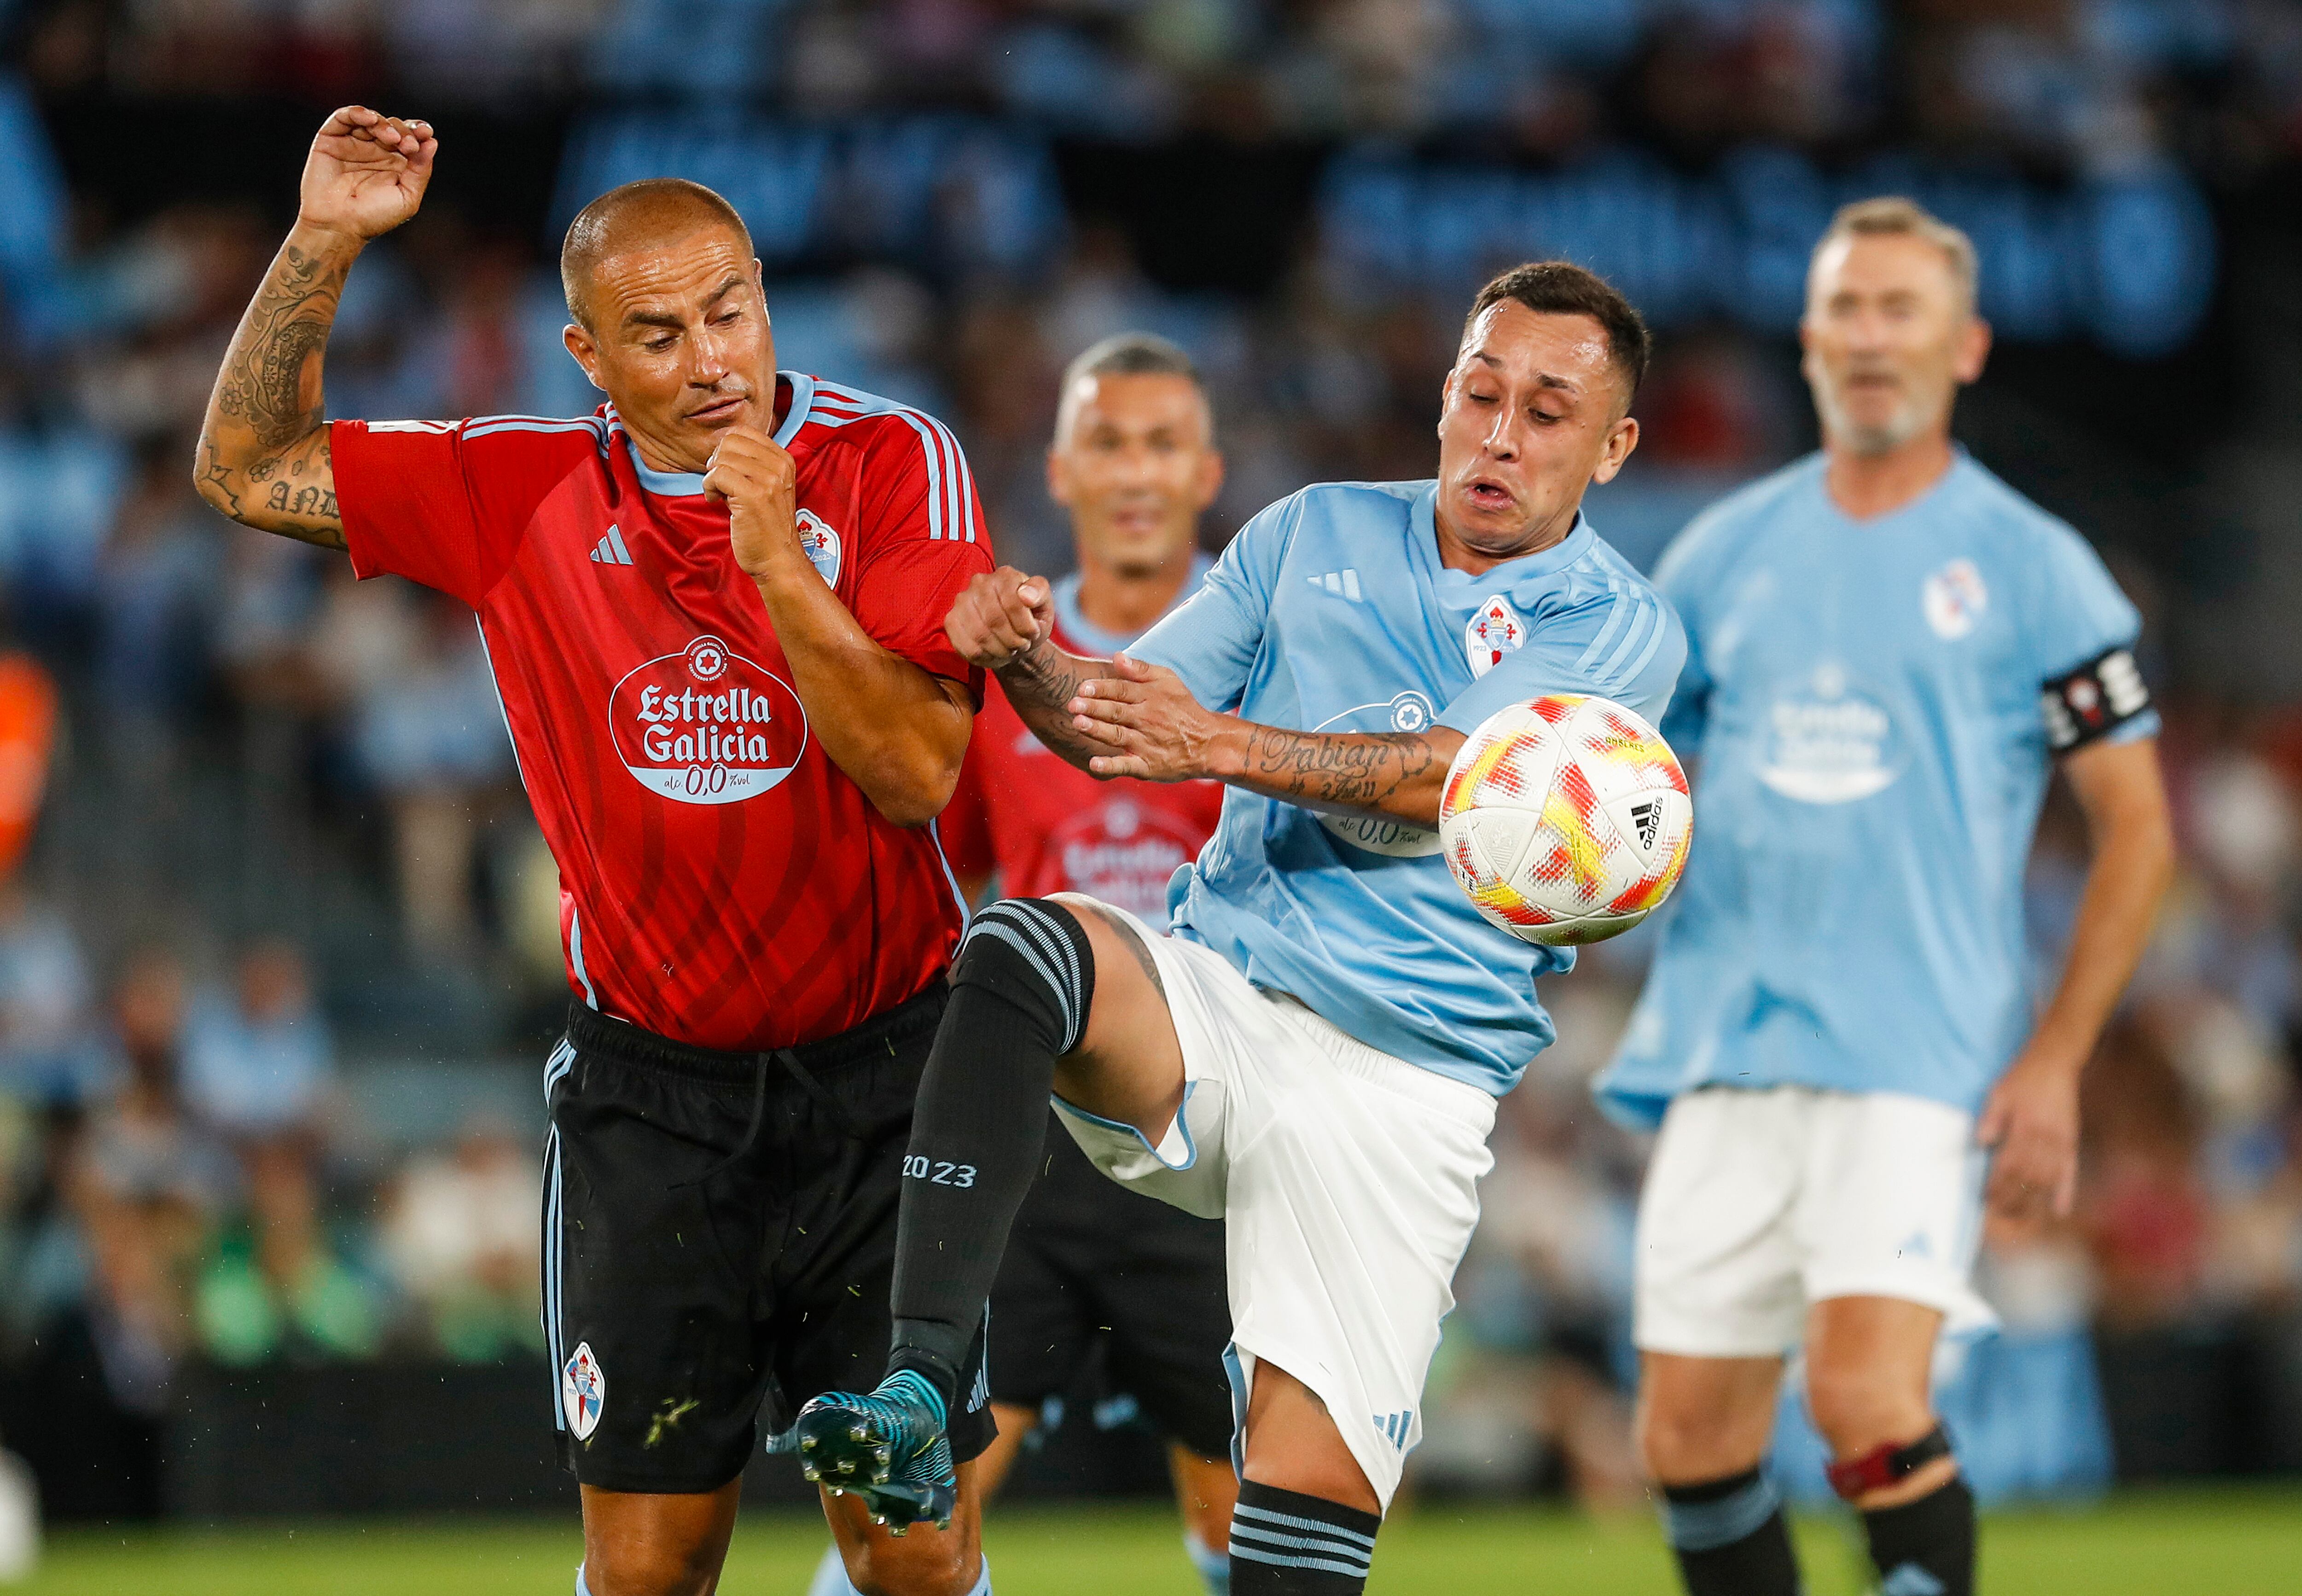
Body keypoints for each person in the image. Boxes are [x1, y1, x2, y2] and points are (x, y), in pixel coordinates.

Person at [194, 107, 998, 1596]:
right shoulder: (519, 489)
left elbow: (917, 769)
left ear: (765, 293)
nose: (710, 361)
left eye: (729, 312)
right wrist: (320, 242)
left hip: (889, 1085)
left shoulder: (893, 461)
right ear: (586, 358)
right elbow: (244, 468)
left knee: (912, 1550)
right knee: (646, 1568)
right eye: (656, 333)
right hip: (653, 1100)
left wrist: (774, 562)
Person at [794, 261, 1685, 1595]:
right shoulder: (1313, 532)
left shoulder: (1620, 627)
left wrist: (1219, 742)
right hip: (1228, 1005)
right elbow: (1120, 721)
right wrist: (1023, 652)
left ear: (1614, 447)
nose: (1500, 434)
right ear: (1443, 394)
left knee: (1291, 1542)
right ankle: (923, 1384)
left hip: (1409, 1084)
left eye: (1548, 411)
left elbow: (1460, 779)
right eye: (1480, 392)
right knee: (1026, 944)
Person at [1595, 197, 2176, 1596]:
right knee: (1686, 1440)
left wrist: (2057, 1057)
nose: (1870, 337)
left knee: (1866, 1398)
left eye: (1901, 308)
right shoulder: (1718, 555)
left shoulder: (2036, 566)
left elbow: (2139, 831)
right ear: (1808, 340)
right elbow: (1629, 793)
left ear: (1965, 345)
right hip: (1723, 1046)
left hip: (1918, 1056)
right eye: (1846, 308)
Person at [821, 333, 1234, 1596]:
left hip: (1210, 1148)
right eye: (1107, 439)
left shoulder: (1271, 657)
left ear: (1207, 470)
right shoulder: (1004, 658)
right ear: (1059, 467)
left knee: (1252, 1526)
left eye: (1162, 442)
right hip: (1034, 1154)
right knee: (908, 1513)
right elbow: (942, 885)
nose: (1135, 470)